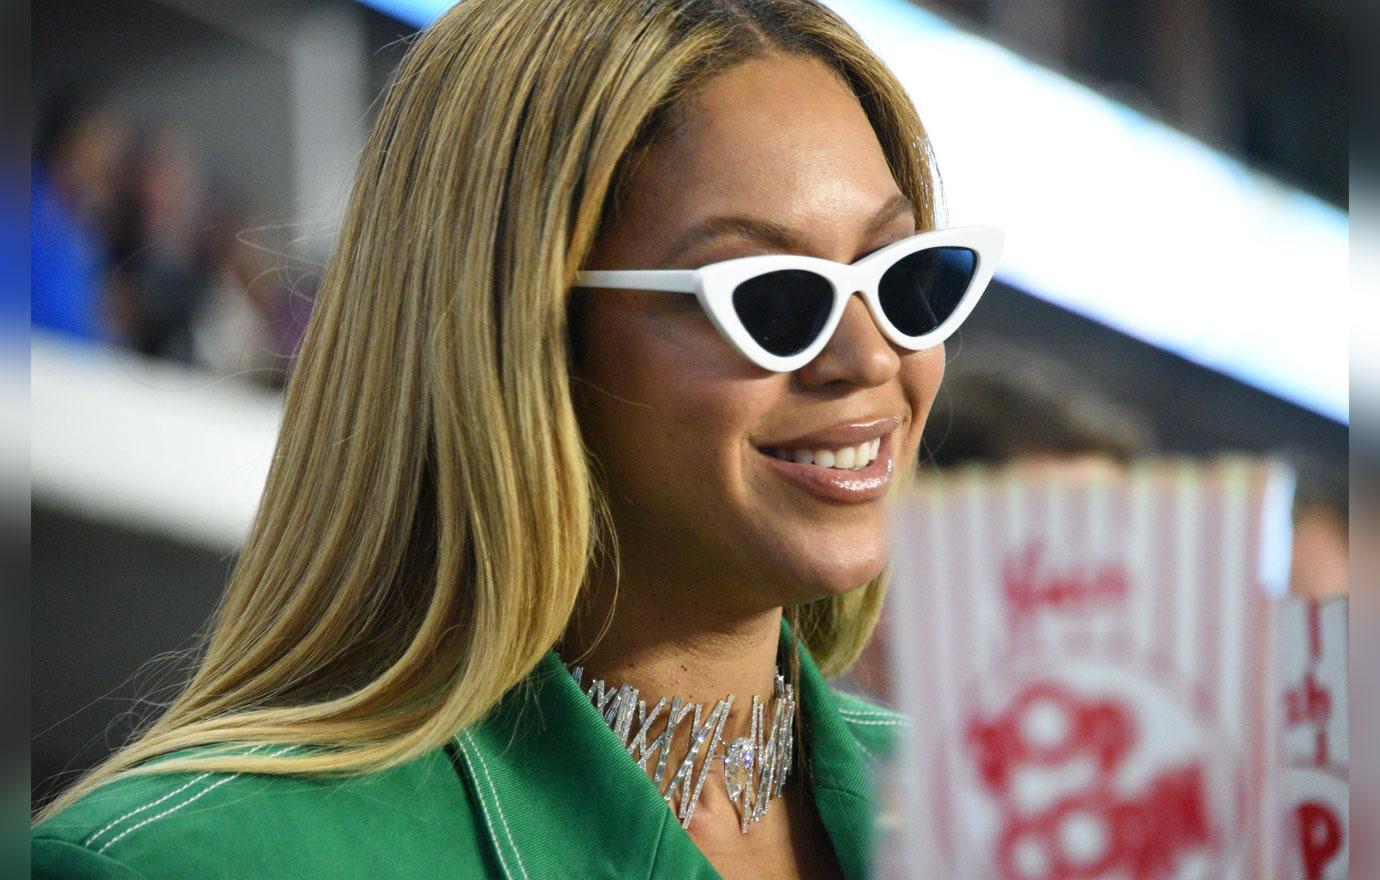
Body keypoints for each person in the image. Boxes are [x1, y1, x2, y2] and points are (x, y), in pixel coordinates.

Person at [30, 1, 1002, 877]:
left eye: (903, 276)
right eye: (771, 298)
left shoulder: (1019, 821)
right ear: (517, 339)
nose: (869, 357)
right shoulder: (200, 863)